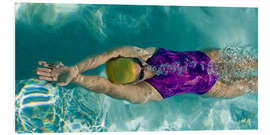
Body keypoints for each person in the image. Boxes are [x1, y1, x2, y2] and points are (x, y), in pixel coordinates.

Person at [35, 46, 258, 104]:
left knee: (255, 62)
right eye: (141, 74)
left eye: (138, 64)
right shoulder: (146, 92)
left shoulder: (145, 54)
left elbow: (110, 54)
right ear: (135, 82)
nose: (147, 68)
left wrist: (75, 67)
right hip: (213, 86)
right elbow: (106, 86)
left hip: (209, 57)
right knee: (252, 83)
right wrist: (78, 78)